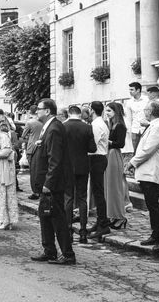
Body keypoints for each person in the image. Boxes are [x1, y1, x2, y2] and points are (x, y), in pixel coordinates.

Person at [30, 98, 75, 265]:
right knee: (45, 216)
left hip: (53, 184)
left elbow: (55, 159)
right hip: (47, 183)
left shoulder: (54, 128)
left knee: (57, 218)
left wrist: (48, 184)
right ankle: (49, 250)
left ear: (47, 111)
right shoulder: (48, 126)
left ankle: (68, 254)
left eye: (39, 109)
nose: (37, 112)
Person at [127, 100, 159, 252]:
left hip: (152, 172)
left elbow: (147, 150)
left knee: (154, 205)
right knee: (151, 205)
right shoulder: (153, 125)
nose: (144, 111)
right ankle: (156, 234)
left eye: (146, 109)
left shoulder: (158, 127)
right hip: (147, 172)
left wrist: (132, 163)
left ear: (151, 111)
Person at [63, 104, 96, 243]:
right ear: (79, 114)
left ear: (69, 113)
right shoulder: (87, 127)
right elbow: (92, 148)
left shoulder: (63, 126)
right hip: (83, 165)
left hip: (67, 166)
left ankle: (69, 230)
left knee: (68, 198)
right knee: (82, 199)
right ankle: (83, 232)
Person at [88, 101, 111, 239]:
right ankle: (100, 221)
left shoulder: (96, 125)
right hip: (99, 157)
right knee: (97, 192)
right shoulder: (101, 123)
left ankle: (103, 223)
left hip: (97, 158)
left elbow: (92, 144)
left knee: (98, 192)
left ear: (91, 110)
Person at [104, 102, 128, 230]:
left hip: (114, 155)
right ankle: (113, 215)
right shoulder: (112, 124)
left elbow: (120, 143)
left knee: (115, 187)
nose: (107, 113)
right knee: (110, 187)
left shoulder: (120, 126)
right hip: (109, 155)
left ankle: (120, 216)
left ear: (116, 112)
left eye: (109, 111)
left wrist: (107, 141)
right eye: (106, 111)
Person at [21, 105, 44, 200]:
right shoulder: (43, 122)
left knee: (33, 171)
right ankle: (41, 189)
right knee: (41, 170)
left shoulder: (30, 122)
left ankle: (35, 191)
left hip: (31, 148)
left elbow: (23, 136)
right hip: (42, 147)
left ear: (30, 112)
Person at [125, 82, 148, 153]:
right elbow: (128, 118)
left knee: (146, 150)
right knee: (135, 151)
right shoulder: (129, 102)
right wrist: (129, 131)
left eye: (132, 90)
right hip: (134, 130)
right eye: (129, 90)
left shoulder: (147, 100)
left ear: (138, 90)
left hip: (146, 129)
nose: (130, 92)